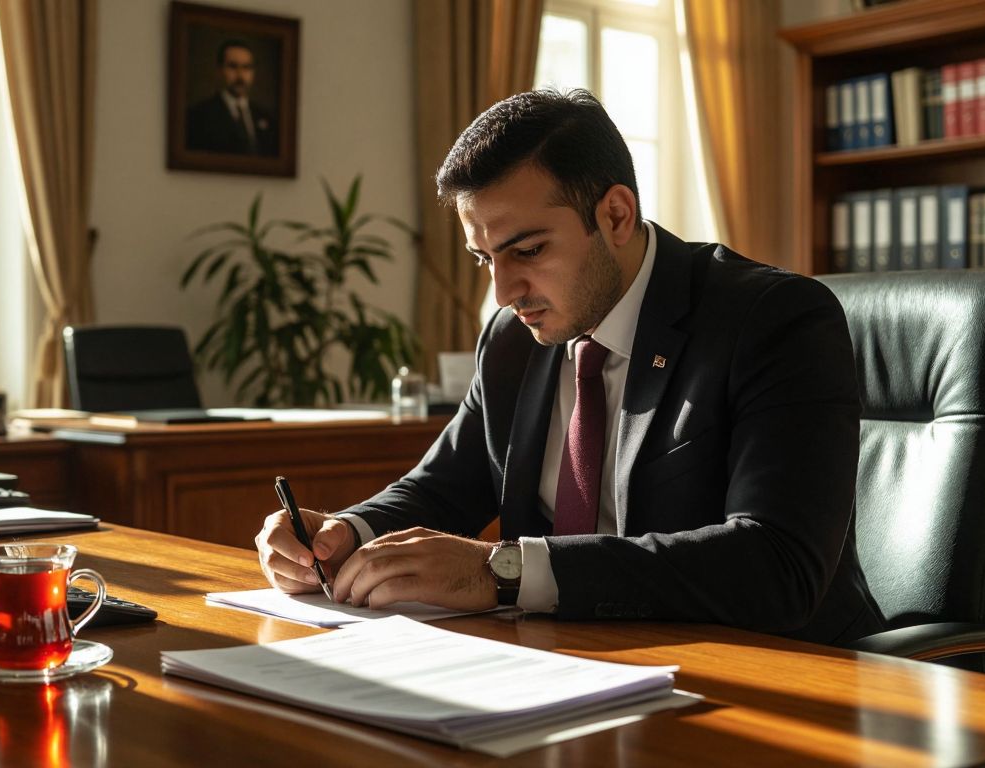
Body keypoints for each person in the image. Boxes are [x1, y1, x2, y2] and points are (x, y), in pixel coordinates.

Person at [254, 89, 884, 645]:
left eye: (527, 250)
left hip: (776, 677)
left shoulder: (773, 319)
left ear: (615, 214)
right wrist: (346, 532)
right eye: (485, 259)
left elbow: (776, 565)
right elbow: (445, 486)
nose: (503, 292)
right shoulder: (511, 338)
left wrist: (498, 571)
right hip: (574, 668)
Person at [185, 39, 277, 156]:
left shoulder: (266, 117)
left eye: (246, 67)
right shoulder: (199, 115)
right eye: (233, 66)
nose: (240, 75)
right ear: (219, 70)